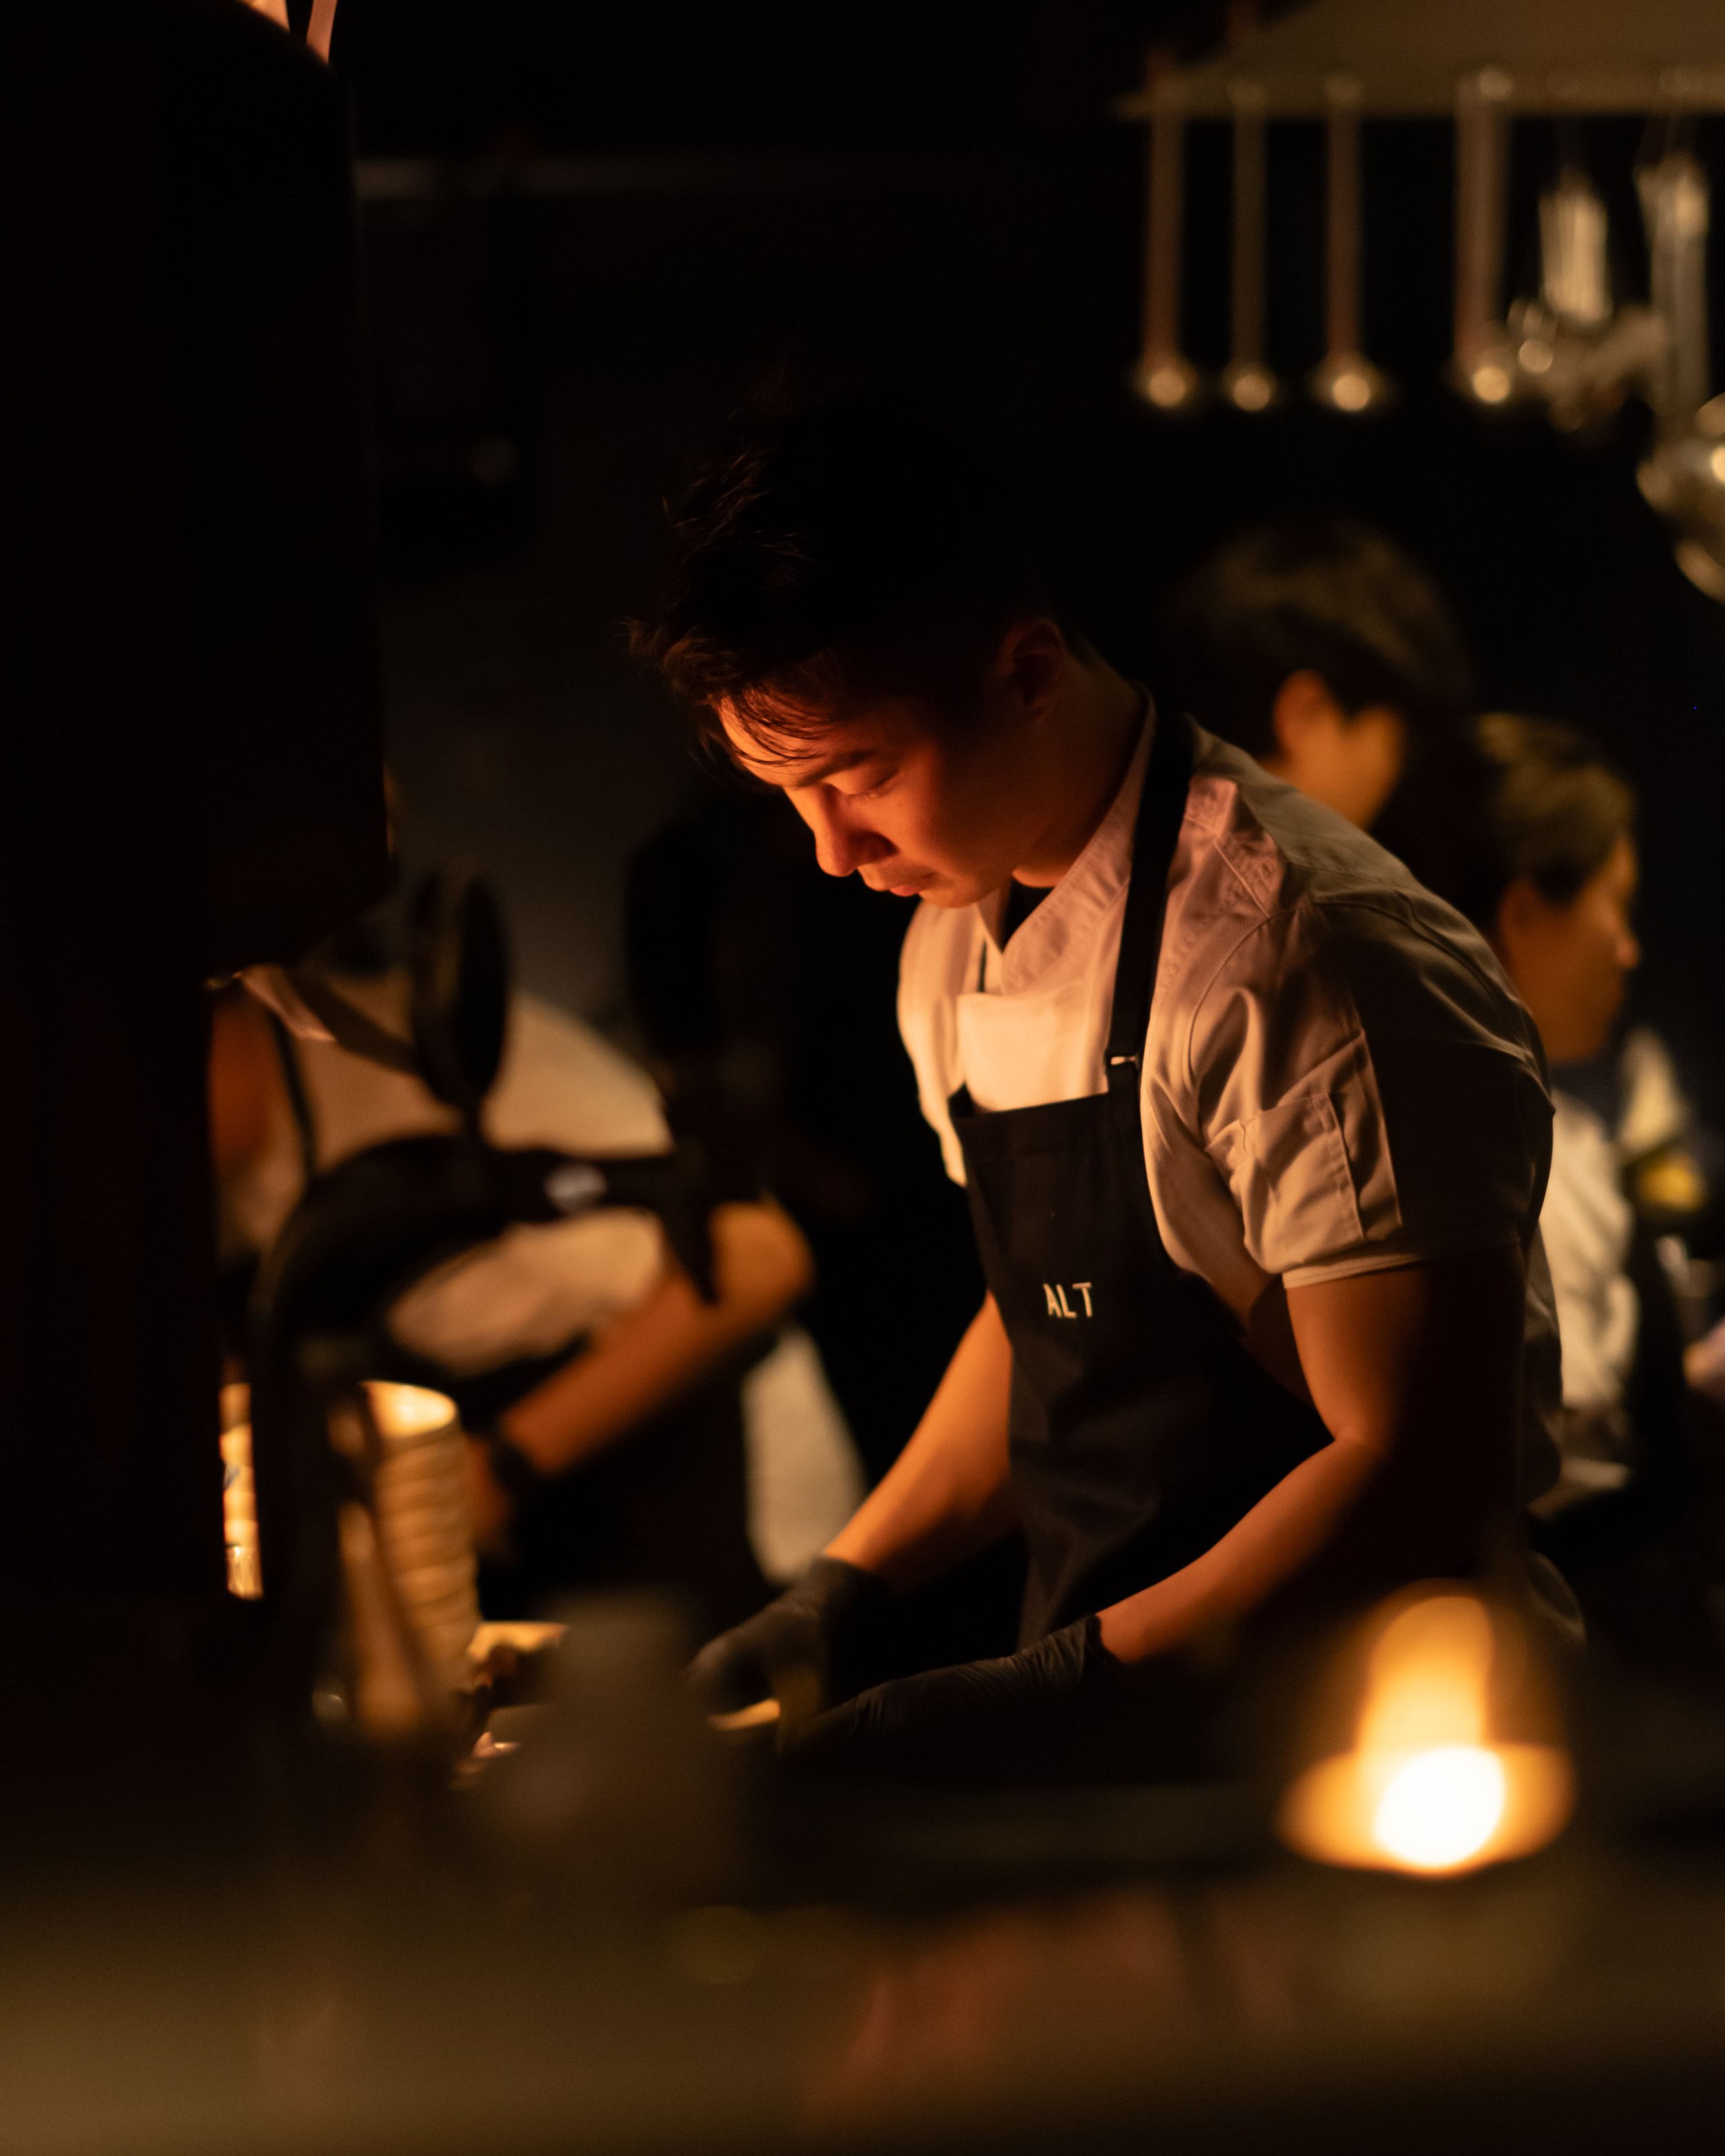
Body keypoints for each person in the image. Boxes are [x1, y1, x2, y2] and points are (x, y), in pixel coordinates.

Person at [633, 394, 1564, 1781]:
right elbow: (1055, 1322)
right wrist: (842, 1585)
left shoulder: (1296, 950)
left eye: (857, 774)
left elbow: (1417, 1467)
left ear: (1023, 670)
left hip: (1364, 1744)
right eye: (786, 792)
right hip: (1133, 1733)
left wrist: (1069, 1675)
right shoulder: (952, 933)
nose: (828, 851)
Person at [210, 947, 814, 1630]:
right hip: (527, 1501)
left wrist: (499, 1466)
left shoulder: (429, 1050)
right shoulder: (227, 1180)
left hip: (687, 1454)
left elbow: (761, 1261)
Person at [1394, 715, 1725, 1683]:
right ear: (1526, 910)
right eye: (1614, 906)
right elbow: (1554, 1444)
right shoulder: (1466, 1151)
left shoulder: (1560, 1125)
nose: (1627, 949)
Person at [1155, 520, 1472, 833]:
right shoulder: (1298, 879)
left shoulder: (1133, 853)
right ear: (1305, 714)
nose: (1398, 775)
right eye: (1401, 742)